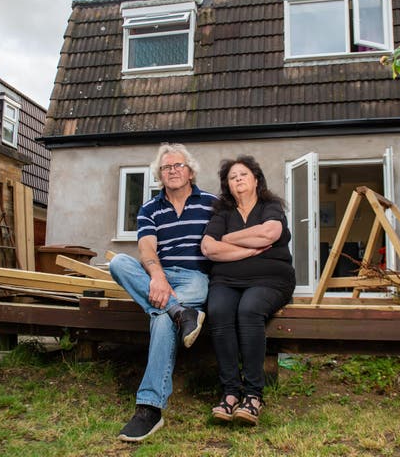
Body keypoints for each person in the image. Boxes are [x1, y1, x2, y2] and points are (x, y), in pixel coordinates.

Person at [109, 143, 217, 442]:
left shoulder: (211, 203)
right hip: (160, 275)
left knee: (160, 316)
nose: (172, 171)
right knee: (118, 262)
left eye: (178, 165)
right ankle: (181, 313)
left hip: (195, 277)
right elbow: (146, 247)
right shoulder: (149, 207)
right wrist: (157, 276)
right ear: (160, 174)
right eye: (166, 167)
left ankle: (149, 409)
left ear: (190, 170)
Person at [201, 155, 295, 426]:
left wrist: (228, 239)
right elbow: (208, 248)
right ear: (227, 185)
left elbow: (269, 234)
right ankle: (230, 392)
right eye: (232, 177)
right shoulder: (222, 212)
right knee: (218, 310)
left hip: (270, 280)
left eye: (243, 174)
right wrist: (250, 249)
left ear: (256, 179)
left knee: (249, 309)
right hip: (226, 281)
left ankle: (253, 395)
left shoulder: (270, 206)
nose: (238, 179)